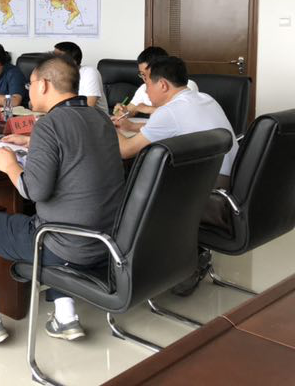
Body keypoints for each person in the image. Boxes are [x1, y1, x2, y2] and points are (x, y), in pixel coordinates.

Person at [0, 54, 125, 345]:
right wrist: (33, 143)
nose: (29, 90)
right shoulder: (99, 118)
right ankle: (65, 317)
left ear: (43, 85)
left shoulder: (49, 124)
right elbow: (77, 151)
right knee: (60, 211)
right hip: (106, 241)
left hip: (62, 244)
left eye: (30, 84)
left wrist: (9, 165)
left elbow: (34, 191)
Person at [114, 56, 239, 296]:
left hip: (209, 192)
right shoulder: (205, 99)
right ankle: (186, 259)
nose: (145, 91)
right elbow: (169, 125)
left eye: (147, 84)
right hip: (229, 185)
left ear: (163, 85)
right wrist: (130, 128)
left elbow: (125, 150)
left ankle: (165, 266)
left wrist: (105, 126)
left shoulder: (169, 112)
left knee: (136, 192)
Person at [112, 46, 199, 125]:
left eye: (147, 74)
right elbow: (130, 111)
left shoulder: (184, 85)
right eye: (142, 74)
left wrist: (147, 109)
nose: (144, 78)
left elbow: (180, 115)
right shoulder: (143, 89)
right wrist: (121, 111)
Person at [54, 41, 108, 115]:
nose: (52, 60)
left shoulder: (89, 72)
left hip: (95, 119)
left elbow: (88, 107)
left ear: (73, 61)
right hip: (68, 116)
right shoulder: (58, 75)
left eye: (58, 57)